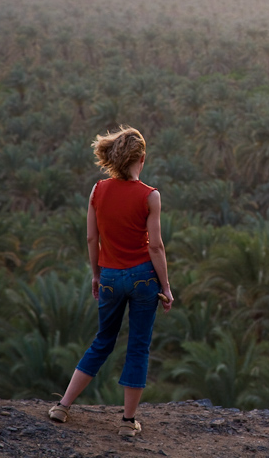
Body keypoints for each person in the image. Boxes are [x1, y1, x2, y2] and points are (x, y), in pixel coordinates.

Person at [48, 126, 174, 437]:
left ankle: (62, 406)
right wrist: (166, 287)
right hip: (144, 277)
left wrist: (96, 274)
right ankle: (128, 423)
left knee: (103, 341)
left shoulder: (97, 190)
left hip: (109, 276)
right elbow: (155, 246)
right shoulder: (150, 196)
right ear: (141, 159)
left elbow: (92, 237)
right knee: (138, 346)